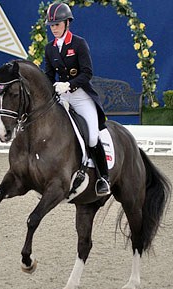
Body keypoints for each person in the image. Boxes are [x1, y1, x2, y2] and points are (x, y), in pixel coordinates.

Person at [44, 1, 110, 196]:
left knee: (91, 137)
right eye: (51, 25)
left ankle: (102, 178)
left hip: (80, 96)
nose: (54, 28)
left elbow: (87, 72)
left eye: (57, 24)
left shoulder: (78, 43)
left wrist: (70, 84)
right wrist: (51, 89)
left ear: (66, 23)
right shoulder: (50, 48)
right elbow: (48, 76)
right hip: (62, 97)